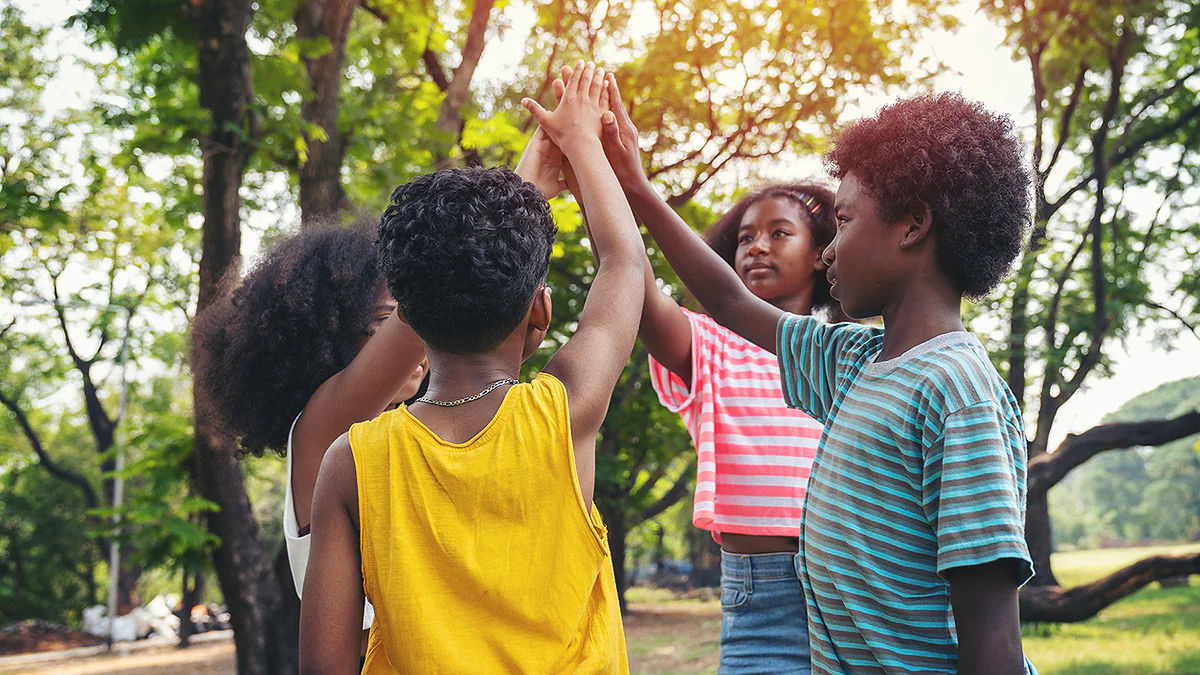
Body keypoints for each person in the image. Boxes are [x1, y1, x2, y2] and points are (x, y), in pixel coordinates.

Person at [617, 89, 1038, 674]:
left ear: (913, 225)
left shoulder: (957, 393)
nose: (829, 250)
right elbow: (728, 301)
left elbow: (993, 637)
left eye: (842, 221)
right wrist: (633, 185)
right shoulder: (852, 363)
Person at [299, 62, 642, 674]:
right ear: (541, 307)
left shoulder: (351, 462)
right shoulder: (563, 414)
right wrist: (585, 142)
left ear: (406, 315)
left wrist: (517, 196)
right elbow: (623, 263)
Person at [592, 71, 833, 673]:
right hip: (762, 601)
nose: (756, 246)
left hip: (854, 589)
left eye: (780, 233)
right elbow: (640, 294)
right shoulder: (711, 345)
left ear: (821, 254)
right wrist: (611, 182)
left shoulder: (848, 351)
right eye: (745, 237)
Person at [192, 224, 429, 637]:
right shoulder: (320, 429)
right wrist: (516, 200)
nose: (421, 337)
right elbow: (435, 293)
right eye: (386, 321)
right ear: (329, 336)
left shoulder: (409, 430)